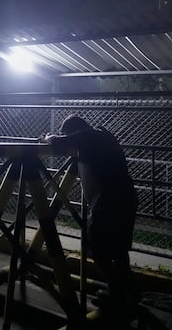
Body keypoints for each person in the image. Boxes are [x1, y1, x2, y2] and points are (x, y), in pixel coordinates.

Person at [44, 115, 139, 309]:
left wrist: (48, 138)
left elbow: (58, 143)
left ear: (75, 131)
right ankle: (129, 291)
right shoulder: (101, 136)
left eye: (69, 133)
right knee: (119, 249)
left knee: (96, 247)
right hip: (124, 197)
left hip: (107, 200)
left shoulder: (89, 137)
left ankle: (117, 291)